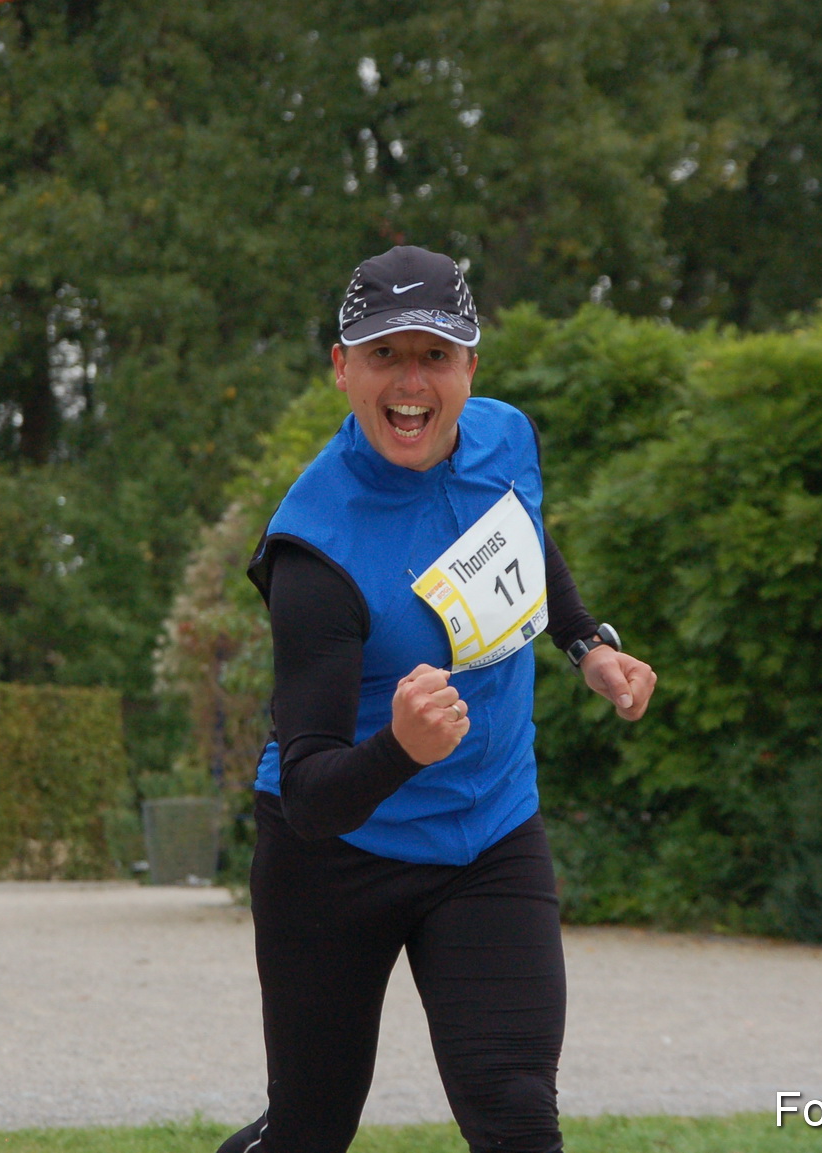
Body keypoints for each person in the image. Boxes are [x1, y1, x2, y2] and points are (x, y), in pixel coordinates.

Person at [217, 245, 657, 1153]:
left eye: (434, 355)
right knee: (308, 1133)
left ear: (470, 367)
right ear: (343, 367)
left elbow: (521, 541)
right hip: (336, 859)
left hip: (490, 834)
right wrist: (400, 749)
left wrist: (585, 643)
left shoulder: (506, 437)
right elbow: (309, 792)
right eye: (385, 354)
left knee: (517, 1115)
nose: (411, 383)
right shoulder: (316, 548)